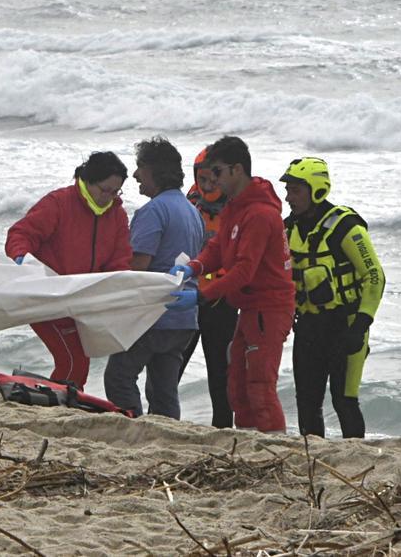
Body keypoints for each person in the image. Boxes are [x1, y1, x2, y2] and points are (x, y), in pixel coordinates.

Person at [168, 136, 294, 432]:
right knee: (236, 385)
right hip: (248, 308)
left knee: (260, 386)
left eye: (219, 174)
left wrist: (200, 295)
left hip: (268, 308)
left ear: (237, 170)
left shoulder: (260, 214)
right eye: (208, 176)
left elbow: (244, 270)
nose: (213, 183)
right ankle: (249, 441)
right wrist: (194, 267)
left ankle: (274, 445)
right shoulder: (236, 207)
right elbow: (220, 248)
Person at [6, 151, 132, 389]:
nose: (109, 197)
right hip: (45, 297)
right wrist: (22, 259)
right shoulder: (59, 203)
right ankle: (61, 406)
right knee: (74, 360)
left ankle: (62, 400)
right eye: (105, 190)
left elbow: (119, 260)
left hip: (82, 301)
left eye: (116, 192)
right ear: (88, 181)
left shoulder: (117, 215)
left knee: (77, 361)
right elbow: (21, 234)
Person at [281, 157, 385, 439]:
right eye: (287, 190)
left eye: (295, 190)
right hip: (310, 327)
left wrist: (361, 325)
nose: (288, 197)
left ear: (317, 189)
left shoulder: (345, 227)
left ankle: (357, 461)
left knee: (345, 401)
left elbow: (375, 276)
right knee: (307, 403)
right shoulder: (288, 228)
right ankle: (313, 462)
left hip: (347, 326)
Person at [103, 137, 203, 418]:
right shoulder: (191, 211)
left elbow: (139, 268)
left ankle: (131, 428)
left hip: (153, 316)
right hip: (184, 318)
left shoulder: (153, 211)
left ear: (155, 171)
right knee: (164, 389)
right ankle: (165, 433)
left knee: (119, 377)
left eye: (140, 168)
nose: (135, 175)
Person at [176, 147, 240, 428]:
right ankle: (162, 424)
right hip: (188, 298)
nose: (209, 185)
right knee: (170, 370)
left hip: (223, 302)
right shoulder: (187, 204)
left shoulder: (242, 207)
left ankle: (223, 432)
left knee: (222, 375)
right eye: (204, 178)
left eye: (215, 178)